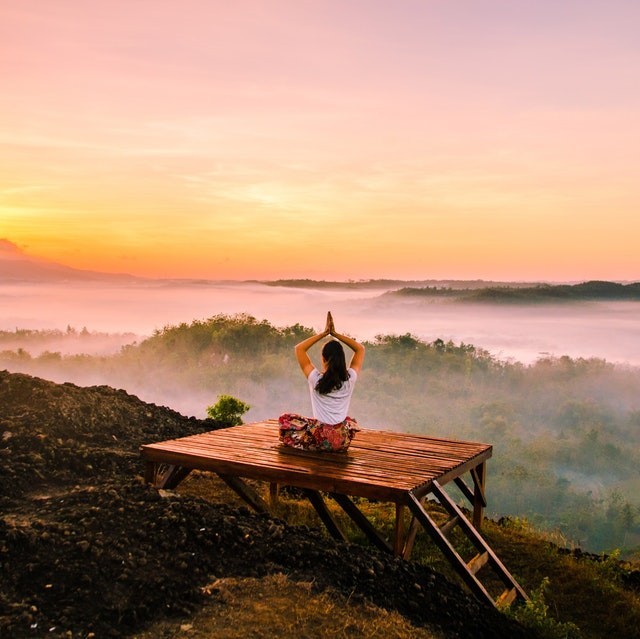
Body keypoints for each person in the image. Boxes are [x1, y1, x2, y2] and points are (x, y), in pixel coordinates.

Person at [279, 312, 365, 452]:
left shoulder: (316, 379)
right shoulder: (350, 379)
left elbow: (299, 349)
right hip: (341, 441)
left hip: (319, 440)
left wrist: (324, 333)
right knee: (348, 421)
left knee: (285, 419)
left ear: (324, 360)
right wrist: (335, 334)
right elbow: (360, 349)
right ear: (342, 360)